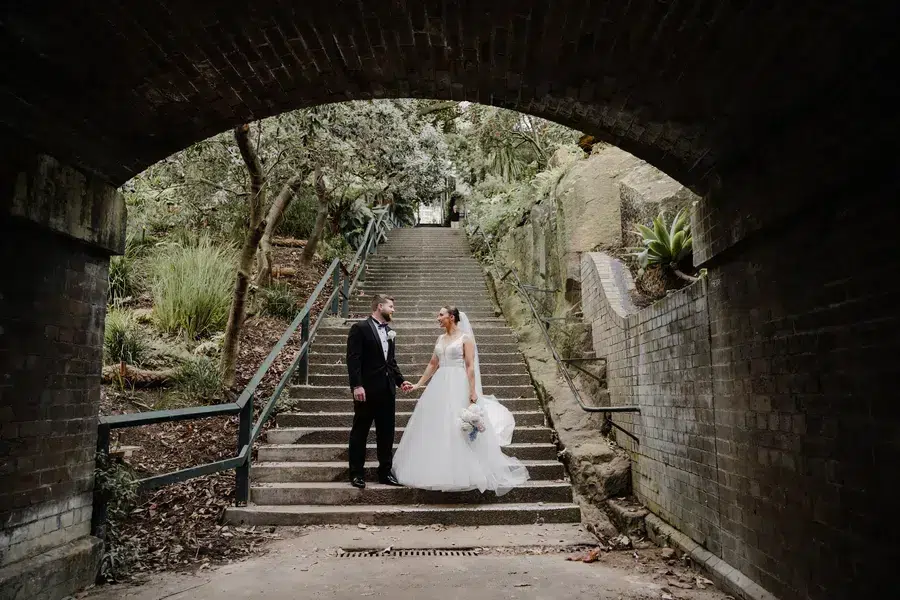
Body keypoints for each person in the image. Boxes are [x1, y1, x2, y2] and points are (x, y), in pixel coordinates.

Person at [391, 306, 529, 494]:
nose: (437, 318)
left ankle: (466, 471)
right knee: (438, 424)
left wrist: (472, 392)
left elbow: (470, 366)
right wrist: (418, 384)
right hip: (440, 384)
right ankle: (437, 469)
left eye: (441, 314)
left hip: (459, 383)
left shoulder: (466, 338)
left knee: (458, 424)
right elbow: (433, 363)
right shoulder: (440, 339)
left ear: (452, 317)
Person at [346, 294, 413, 489]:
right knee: (360, 431)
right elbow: (353, 359)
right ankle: (357, 473)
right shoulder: (360, 328)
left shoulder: (390, 332)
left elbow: (391, 362)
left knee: (387, 433)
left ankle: (385, 472)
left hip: (387, 390)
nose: (393, 310)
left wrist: (400, 381)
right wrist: (357, 386)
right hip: (366, 391)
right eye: (391, 306)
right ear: (379, 306)